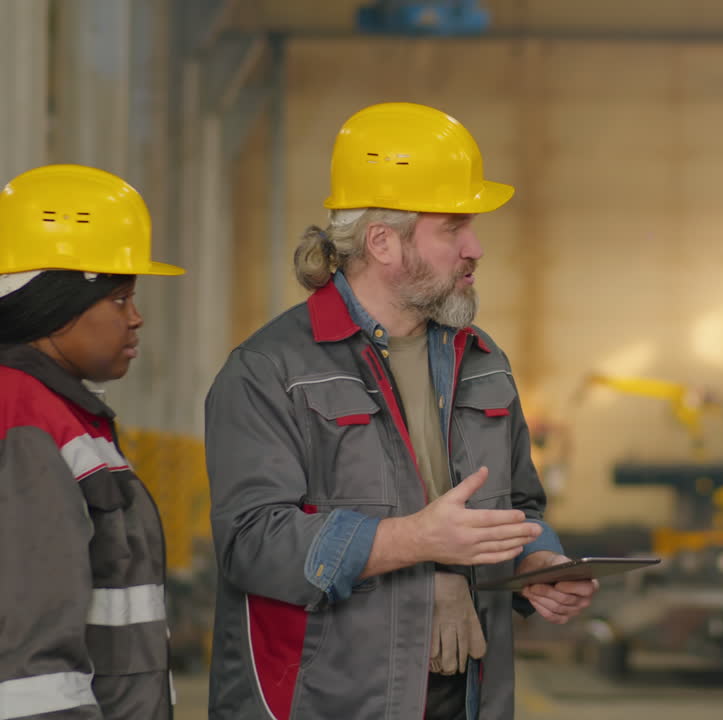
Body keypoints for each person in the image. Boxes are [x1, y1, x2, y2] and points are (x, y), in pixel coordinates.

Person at [203, 102, 597, 720]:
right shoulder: (271, 370)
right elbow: (252, 543)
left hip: (465, 693)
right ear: (383, 241)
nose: (476, 247)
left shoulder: (484, 360)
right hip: (332, 699)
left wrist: (537, 560)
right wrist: (413, 541)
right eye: (453, 227)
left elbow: (519, 506)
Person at [0, 164, 184, 719]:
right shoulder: (25, 417)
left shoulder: (66, 414)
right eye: (120, 299)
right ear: (56, 309)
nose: (137, 318)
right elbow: (34, 663)